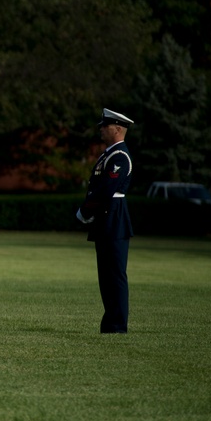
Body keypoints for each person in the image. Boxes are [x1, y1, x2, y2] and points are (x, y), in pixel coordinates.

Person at [77, 108, 134, 334]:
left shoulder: (119, 156)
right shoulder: (108, 154)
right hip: (106, 218)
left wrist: (84, 211)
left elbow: (105, 190)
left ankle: (117, 325)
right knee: (106, 275)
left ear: (118, 129)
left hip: (114, 217)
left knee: (115, 274)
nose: (101, 129)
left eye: (105, 125)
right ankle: (110, 322)